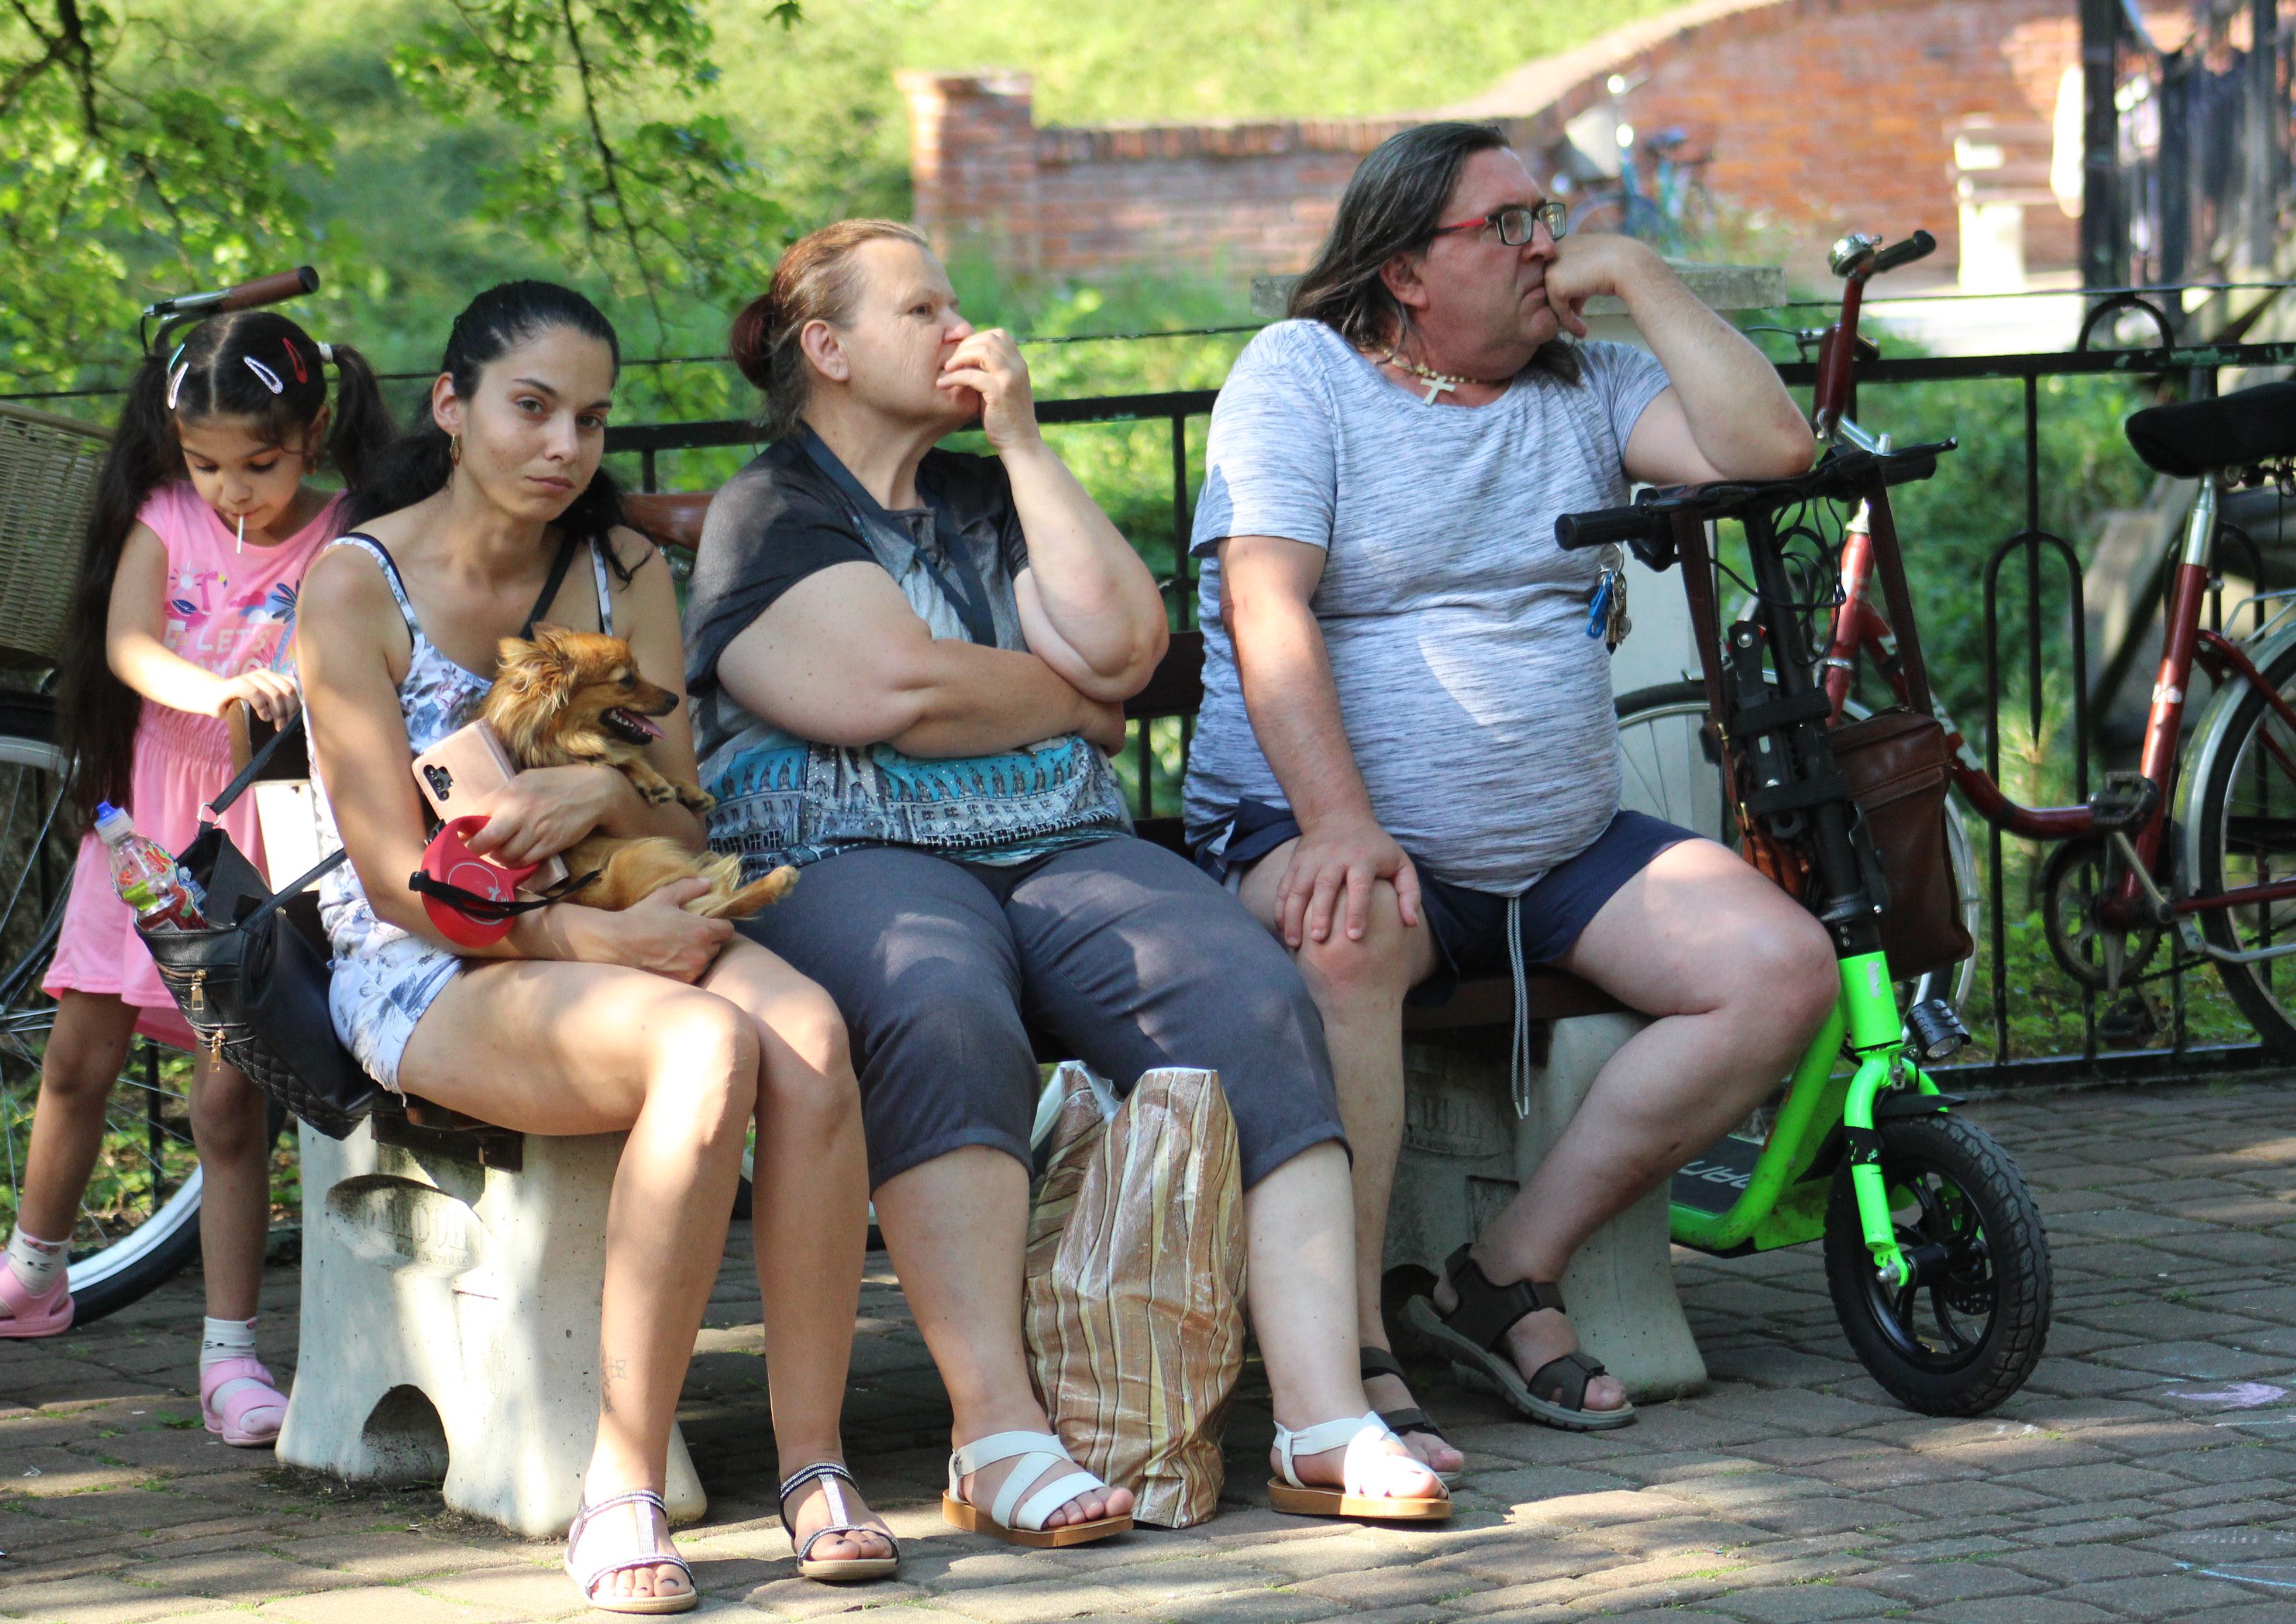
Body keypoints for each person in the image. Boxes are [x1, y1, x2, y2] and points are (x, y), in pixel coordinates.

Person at [686, 219, 1449, 1545]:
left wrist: (1028, 446)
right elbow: (892, 691)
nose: (963, 330)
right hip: (851, 856)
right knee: (937, 1006)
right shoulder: (771, 510)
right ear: (828, 348)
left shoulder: (992, 497)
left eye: (956, 305)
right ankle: (998, 1433)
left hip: (1062, 849)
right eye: (923, 310)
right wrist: (1072, 708)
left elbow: (1129, 646)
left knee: (1252, 996)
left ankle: (1322, 1418)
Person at [1186, 121, 1838, 1449]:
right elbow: (1266, 607)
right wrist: (1342, 824)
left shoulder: (1589, 380)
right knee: (1347, 931)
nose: (1544, 246)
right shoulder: (1301, 373)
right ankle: (1354, 1350)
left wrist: (1642, 274)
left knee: (1781, 971)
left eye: (1548, 216)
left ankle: (1501, 1275)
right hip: (1325, 829)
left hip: (1562, 847)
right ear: (1404, 270)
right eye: (1505, 226)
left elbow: (1776, 450)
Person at [297, 282, 892, 1613]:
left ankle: (814, 1464)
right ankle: (618, 1485)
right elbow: (394, 880)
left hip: (619, 899)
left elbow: (682, 811)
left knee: (809, 1036)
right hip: (435, 961)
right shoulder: (356, 586)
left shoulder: (622, 568)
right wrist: (593, 939)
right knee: (705, 1047)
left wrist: (595, 791)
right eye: (532, 407)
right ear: (452, 408)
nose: (565, 444)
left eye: (590, 417)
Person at [0, 309, 393, 1448]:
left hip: (260, 835)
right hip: (144, 828)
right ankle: (33, 1269)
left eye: (260, 463)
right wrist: (217, 689)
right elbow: (128, 644)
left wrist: (289, 689)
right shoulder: (163, 516)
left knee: (228, 1099)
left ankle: (230, 1352)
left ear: (314, 432)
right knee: (78, 1057)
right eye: (207, 463)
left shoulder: (347, 533)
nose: (233, 491)